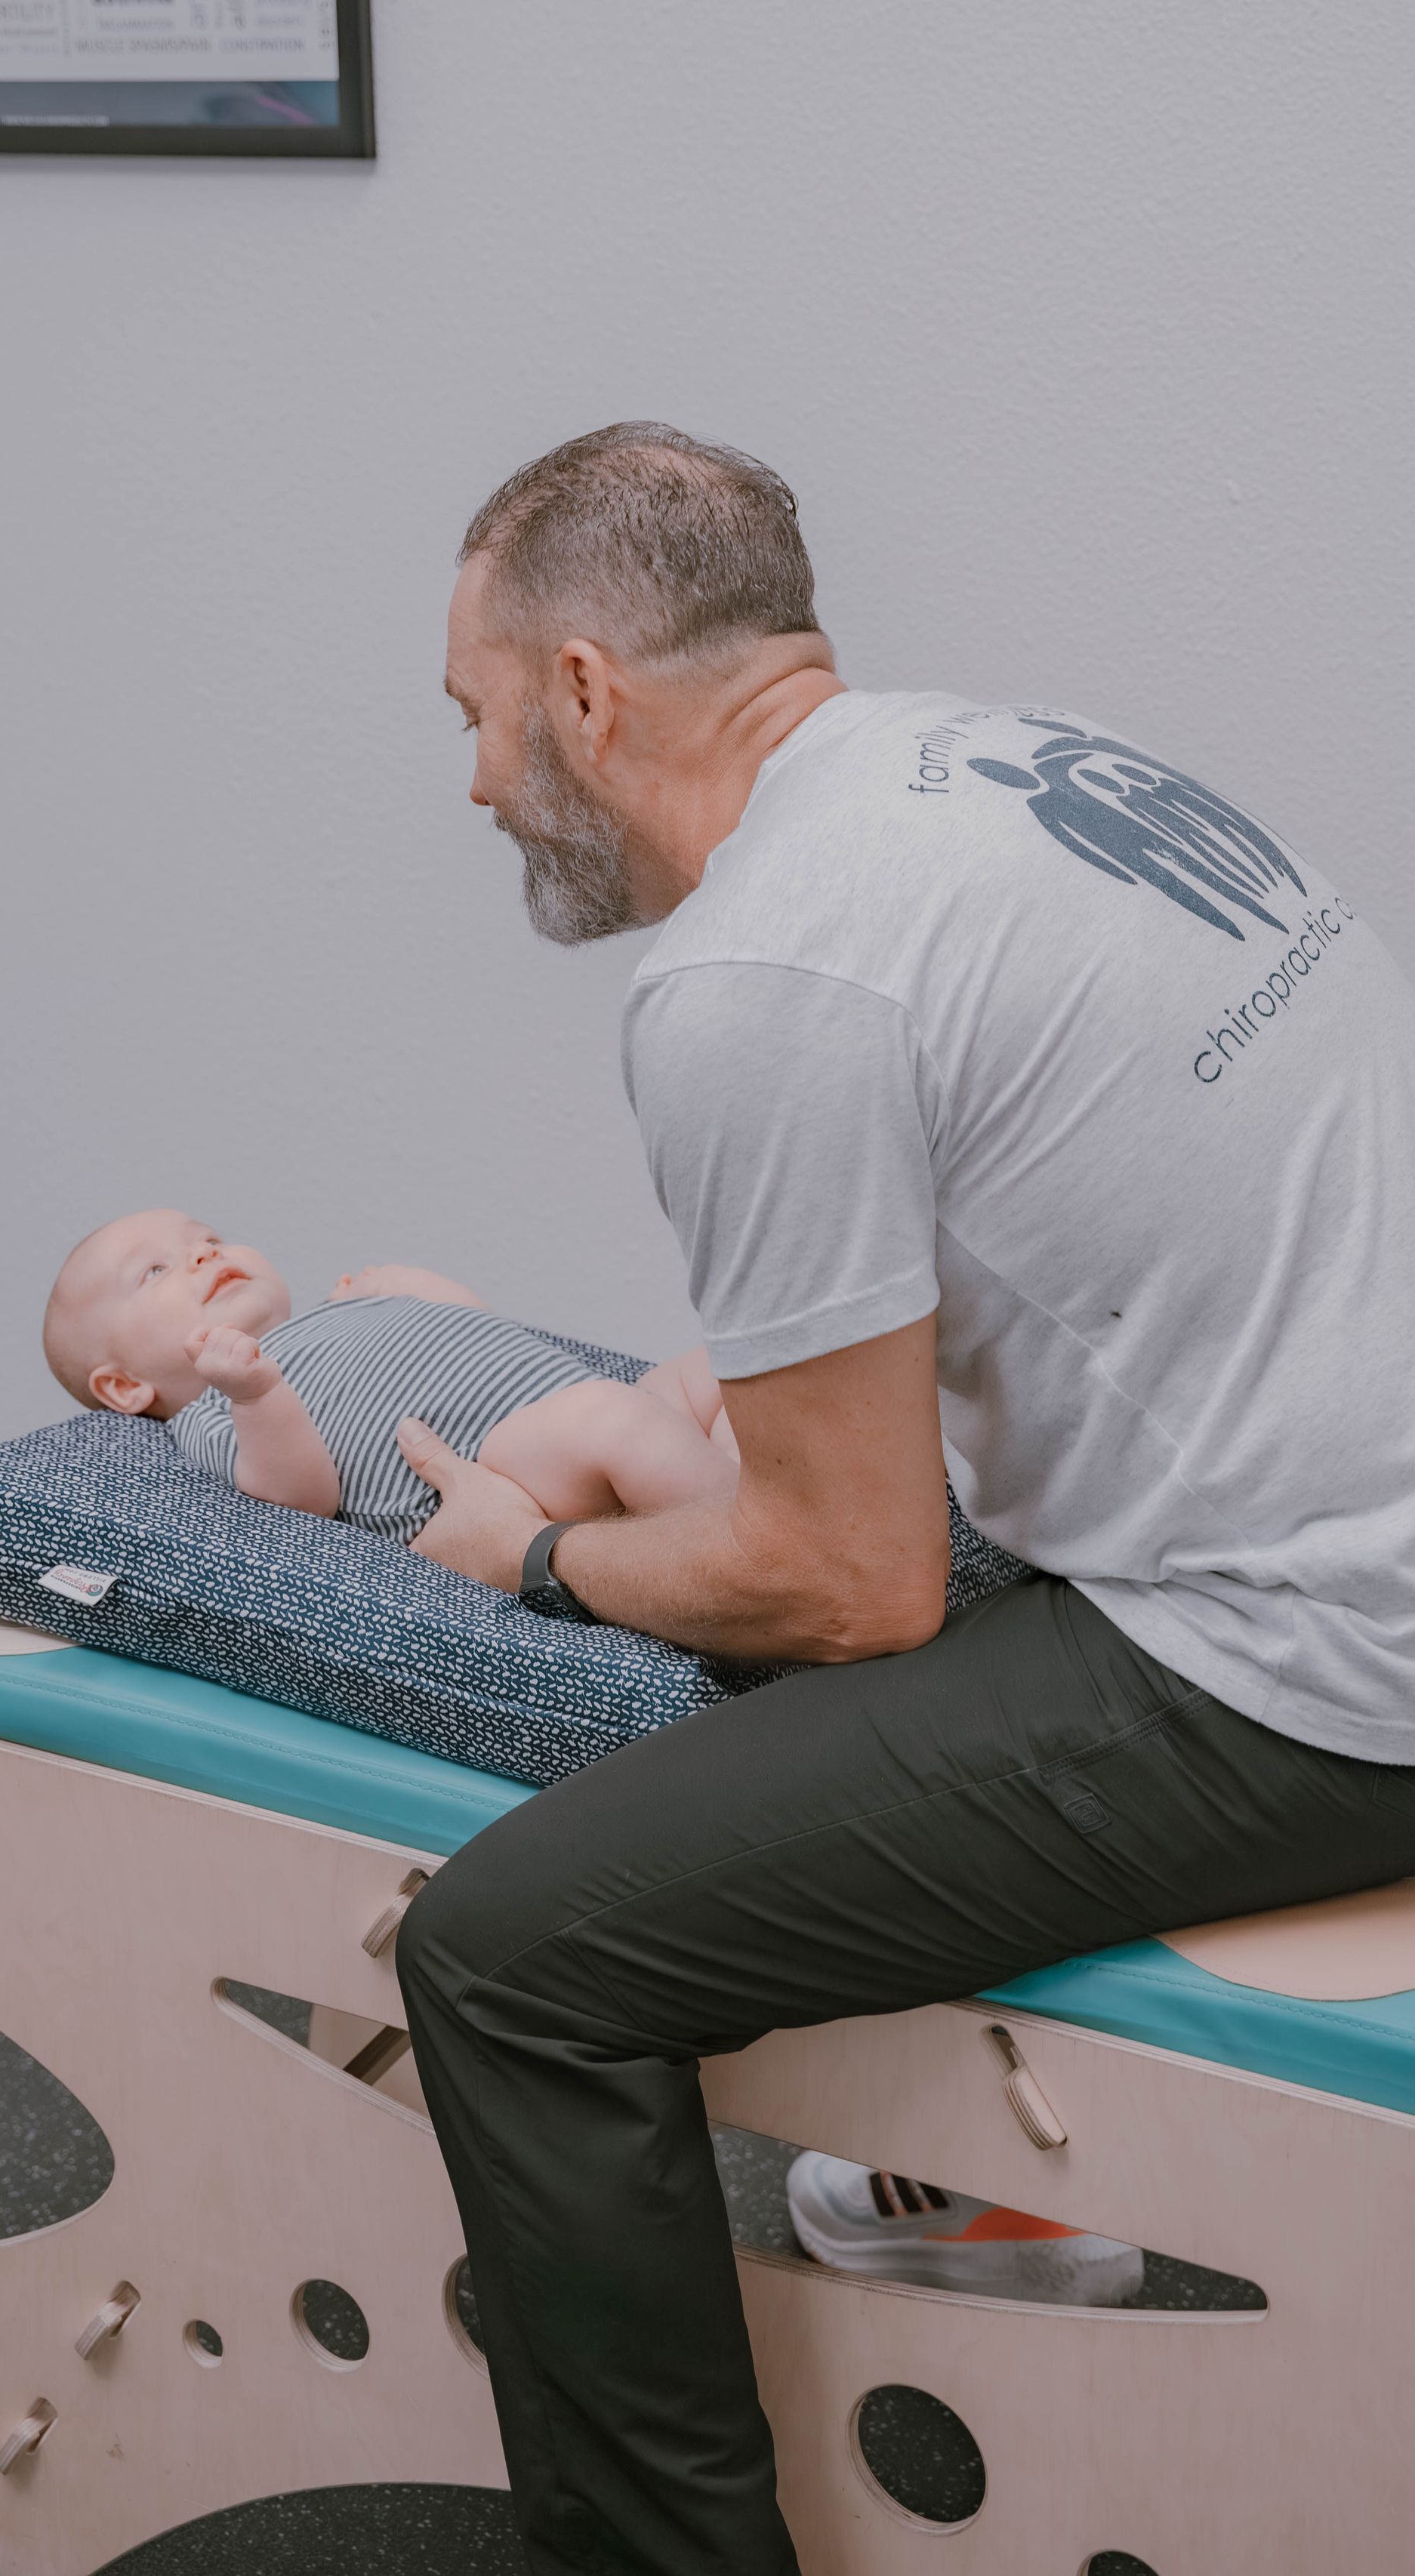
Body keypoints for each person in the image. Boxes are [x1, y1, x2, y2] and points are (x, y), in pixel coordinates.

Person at [384, 422, 1415, 2576]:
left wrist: (547, 1553)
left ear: (583, 689)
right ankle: (959, 2181)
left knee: (504, 1954)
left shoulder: (763, 973)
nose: (476, 782)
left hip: (1327, 1658)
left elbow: (855, 1585)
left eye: (474, 715)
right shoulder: (1013, 761)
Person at [42, 1209, 736, 1539]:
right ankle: (757, 1542)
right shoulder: (215, 1412)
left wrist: (412, 1287)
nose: (201, 1254)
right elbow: (300, 1496)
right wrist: (256, 1392)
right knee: (617, 1421)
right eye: (156, 1271)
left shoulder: (332, 1313)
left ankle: (753, 1487)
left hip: (566, 1396)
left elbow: (484, 1328)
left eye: (209, 1239)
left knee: (727, 1366)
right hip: (503, 1468)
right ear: (126, 1388)